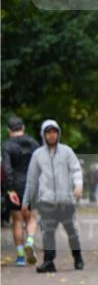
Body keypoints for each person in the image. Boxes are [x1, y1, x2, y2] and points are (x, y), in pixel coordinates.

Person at [22, 120, 84, 272]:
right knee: (47, 232)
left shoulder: (67, 151)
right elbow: (31, 180)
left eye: (54, 132)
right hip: (47, 201)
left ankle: (78, 257)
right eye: (48, 132)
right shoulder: (37, 155)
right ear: (43, 134)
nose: (51, 135)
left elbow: (76, 170)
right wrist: (25, 202)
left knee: (71, 232)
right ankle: (49, 262)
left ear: (58, 133)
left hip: (66, 200)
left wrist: (78, 185)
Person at [3, 116, 41, 266]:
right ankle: (30, 241)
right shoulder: (34, 143)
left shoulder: (7, 145)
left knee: (17, 220)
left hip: (16, 185)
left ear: (8, 131)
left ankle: (20, 257)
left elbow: (6, 168)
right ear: (23, 128)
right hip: (32, 184)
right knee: (32, 218)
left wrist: (10, 189)